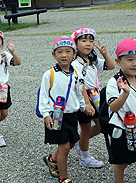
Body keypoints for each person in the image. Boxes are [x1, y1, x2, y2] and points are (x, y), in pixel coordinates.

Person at [39, 36, 87, 183]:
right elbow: (43, 96)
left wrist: (84, 107)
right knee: (65, 147)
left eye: (68, 51)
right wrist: (46, 114)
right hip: (56, 116)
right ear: (54, 54)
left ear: (74, 54)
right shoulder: (49, 74)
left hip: (72, 115)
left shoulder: (76, 74)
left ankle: (51, 158)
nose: (64, 55)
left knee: (71, 143)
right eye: (59, 52)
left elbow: (78, 92)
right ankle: (63, 178)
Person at [71, 27, 115, 168]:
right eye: (84, 40)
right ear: (75, 43)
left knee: (102, 124)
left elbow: (111, 66)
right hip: (84, 97)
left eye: (91, 40)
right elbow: (80, 84)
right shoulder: (75, 63)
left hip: (95, 96)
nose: (88, 44)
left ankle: (79, 142)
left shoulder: (92, 59)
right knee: (85, 127)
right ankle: (84, 157)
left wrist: (105, 53)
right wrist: (86, 103)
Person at [105, 38, 136, 183]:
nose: (134, 63)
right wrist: (125, 94)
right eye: (130, 59)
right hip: (122, 128)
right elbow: (113, 107)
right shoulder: (115, 82)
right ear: (118, 62)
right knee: (121, 162)